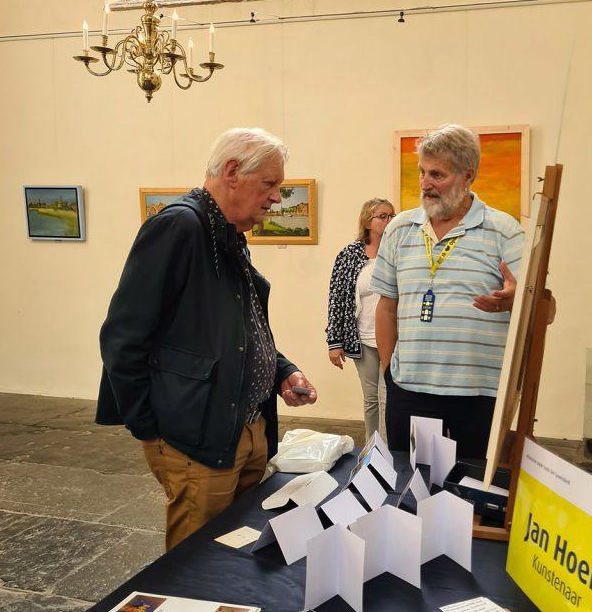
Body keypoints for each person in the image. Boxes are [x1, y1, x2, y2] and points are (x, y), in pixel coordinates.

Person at [96, 128, 317, 549]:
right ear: (233, 172)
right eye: (270, 184)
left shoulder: (226, 233)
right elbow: (122, 336)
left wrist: (282, 371)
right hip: (195, 436)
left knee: (237, 550)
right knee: (195, 565)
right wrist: (149, 429)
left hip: (246, 426)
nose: (276, 198)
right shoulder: (180, 226)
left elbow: (242, 327)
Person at [371, 124, 524, 459]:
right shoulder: (399, 229)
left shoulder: (504, 231)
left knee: (472, 494)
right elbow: (385, 306)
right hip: (410, 391)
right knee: (413, 488)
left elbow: (544, 308)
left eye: (437, 174)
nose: (425, 184)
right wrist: (388, 372)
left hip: (479, 395)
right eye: (422, 172)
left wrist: (518, 299)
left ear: (466, 176)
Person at [326, 198, 395, 441]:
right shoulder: (349, 255)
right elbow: (337, 299)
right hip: (362, 338)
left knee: (388, 399)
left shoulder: (397, 251)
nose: (389, 221)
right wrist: (334, 343)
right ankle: (371, 448)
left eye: (391, 216)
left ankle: (387, 451)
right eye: (383, 216)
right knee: (371, 398)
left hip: (393, 339)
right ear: (367, 221)